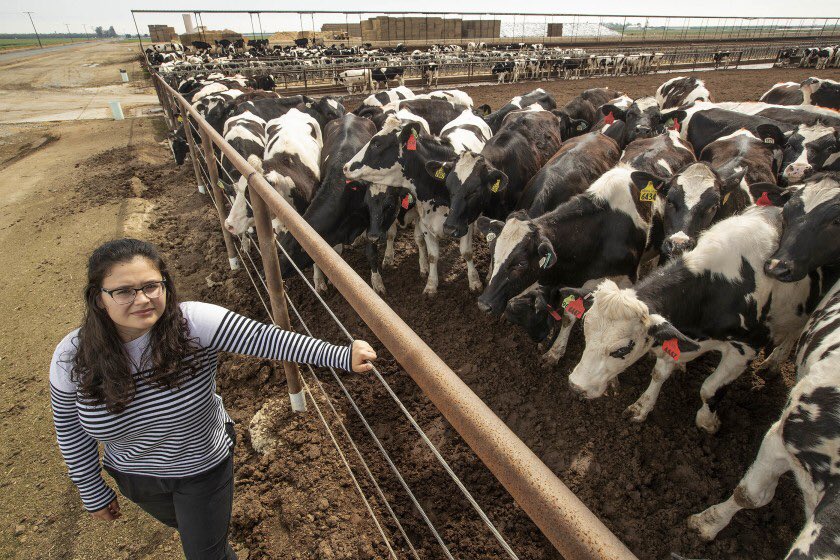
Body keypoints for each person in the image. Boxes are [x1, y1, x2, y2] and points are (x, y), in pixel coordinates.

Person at [49, 238, 377, 559]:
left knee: (204, 552)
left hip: (201, 467)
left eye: (152, 285)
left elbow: (267, 340)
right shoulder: (72, 356)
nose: (143, 299)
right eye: (123, 291)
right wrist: (91, 488)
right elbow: (70, 429)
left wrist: (340, 355)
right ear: (98, 298)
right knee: (204, 538)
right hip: (136, 479)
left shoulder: (191, 324)